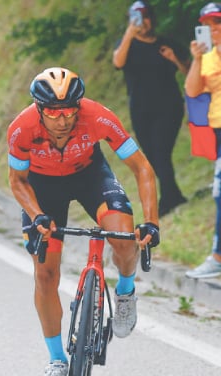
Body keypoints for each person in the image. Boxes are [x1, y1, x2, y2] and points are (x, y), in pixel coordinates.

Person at [7, 67, 160, 376]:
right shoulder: (22, 128)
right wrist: (36, 216)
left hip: (90, 176)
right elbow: (17, 182)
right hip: (43, 189)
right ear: (38, 108)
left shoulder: (98, 117)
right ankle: (57, 360)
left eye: (69, 112)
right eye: (53, 113)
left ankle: (125, 291)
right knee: (46, 273)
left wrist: (151, 220)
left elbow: (142, 167)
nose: (62, 121)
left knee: (122, 235)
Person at [112, 1, 190, 217]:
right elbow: (118, 62)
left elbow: (189, 71)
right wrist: (129, 33)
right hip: (141, 110)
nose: (142, 23)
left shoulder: (166, 44)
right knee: (153, 156)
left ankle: (169, 200)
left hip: (169, 107)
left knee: (161, 151)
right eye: (136, 18)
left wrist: (173, 59)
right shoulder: (126, 44)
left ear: (152, 19)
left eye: (145, 17)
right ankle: (173, 195)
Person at [184, 2, 221, 279]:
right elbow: (193, 90)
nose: (212, 30)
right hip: (218, 128)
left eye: (216, 24)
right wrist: (197, 59)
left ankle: (217, 257)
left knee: (220, 193)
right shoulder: (206, 56)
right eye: (207, 26)